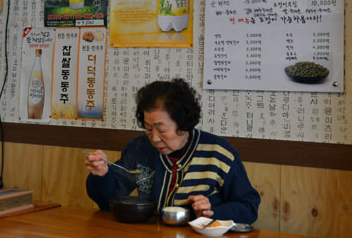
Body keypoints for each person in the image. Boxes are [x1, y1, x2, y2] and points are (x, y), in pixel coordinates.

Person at [85, 78, 260, 223]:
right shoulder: (139, 148)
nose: (154, 138)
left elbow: (248, 207)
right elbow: (109, 202)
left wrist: (212, 211)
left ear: (184, 124)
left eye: (161, 130)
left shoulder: (218, 153)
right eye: (147, 128)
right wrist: (101, 175)